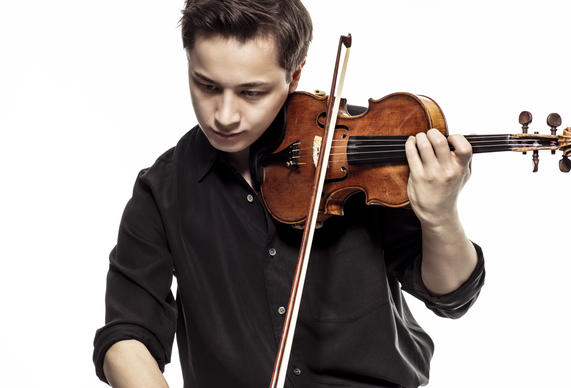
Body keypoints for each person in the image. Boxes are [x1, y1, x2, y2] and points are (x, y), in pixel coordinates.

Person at [92, 1, 485, 387]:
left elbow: (450, 297)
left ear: (294, 77)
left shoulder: (361, 148)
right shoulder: (162, 190)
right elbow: (127, 336)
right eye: (207, 85)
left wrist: (440, 215)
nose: (224, 115)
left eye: (251, 92)